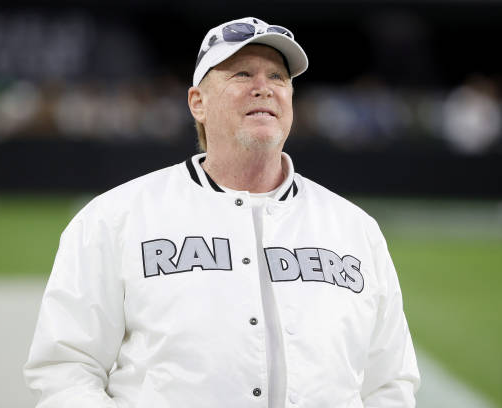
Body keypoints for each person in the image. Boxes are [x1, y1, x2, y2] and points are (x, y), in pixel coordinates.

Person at [24, 16, 420, 407]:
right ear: (198, 102)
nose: (263, 88)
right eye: (242, 74)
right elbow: (66, 367)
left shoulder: (354, 229)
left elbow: (390, 383)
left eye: (278, 77)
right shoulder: (116, 218)